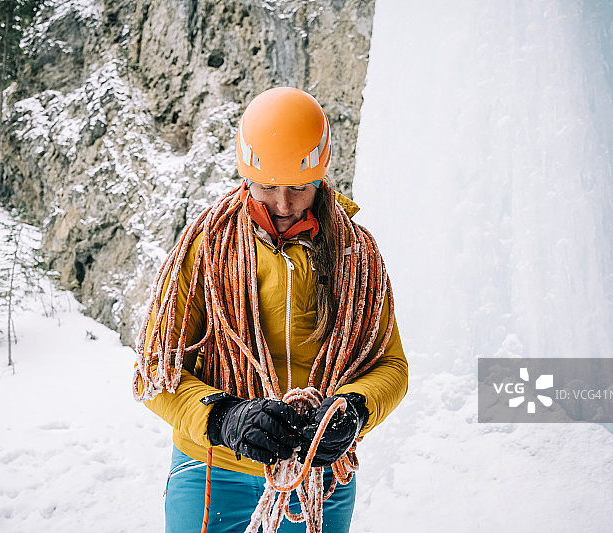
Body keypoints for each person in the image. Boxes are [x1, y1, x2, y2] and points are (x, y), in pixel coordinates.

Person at [133, 87, 408, 533]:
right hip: (212, 471)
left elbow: (391, 366)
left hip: (320, 479)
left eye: (299, 187)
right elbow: (154, 372)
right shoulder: (207, 248)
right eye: (267, 187)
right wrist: (223, 417)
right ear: (245, 176)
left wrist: (355, 409)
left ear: (320, 174)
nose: (283, 204)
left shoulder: (358, 256)